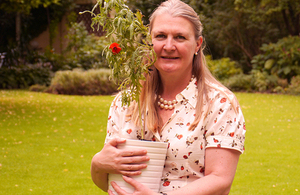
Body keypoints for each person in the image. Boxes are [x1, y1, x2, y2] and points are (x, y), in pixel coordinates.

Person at [91, 0, 246, 194]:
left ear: (197, 44)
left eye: (180, 37)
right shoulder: (126, 101)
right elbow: (109, 180)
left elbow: (220, 179)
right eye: (161, 36)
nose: (169, 46)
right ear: (150, 41)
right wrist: (97, 164)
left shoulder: (219, 103)